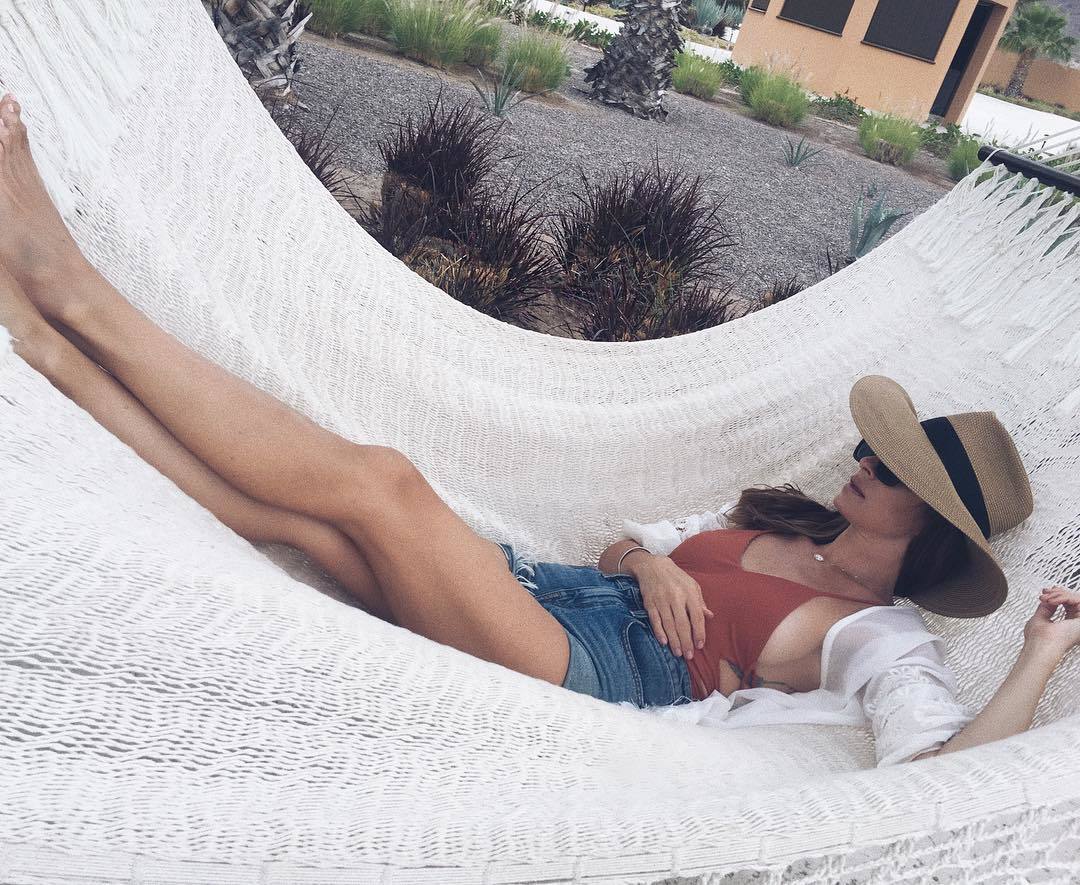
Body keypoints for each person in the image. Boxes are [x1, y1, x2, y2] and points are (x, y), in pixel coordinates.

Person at [0, 93, 1076, 766]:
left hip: (584, 669)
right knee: (305, 525)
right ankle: (49, 348)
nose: (866, 459)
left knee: (381, 482)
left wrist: (1038, 653)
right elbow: (620, 548)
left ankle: (74, 288)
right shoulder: (788, 518)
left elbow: (938, 774)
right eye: (877, 446)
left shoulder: (881, 636)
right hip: (547, 590)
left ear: (932, 525)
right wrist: (648, 563)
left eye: (893, 469)